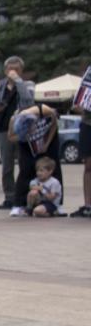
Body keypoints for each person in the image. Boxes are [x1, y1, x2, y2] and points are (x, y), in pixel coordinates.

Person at [0, 56, 35, 210]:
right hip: (4, 129)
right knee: (7, 165)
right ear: (5, 70)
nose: (13, 72)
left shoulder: (28, 84)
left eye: (16, 69)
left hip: (22, 128)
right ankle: (9, 196)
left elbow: (29, 102)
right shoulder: (0, 87)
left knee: (24, 162)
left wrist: (18, 82)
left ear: (21, 70)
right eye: (10, 69)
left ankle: (23, 195)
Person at [10, 103, 62, 217]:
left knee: (51, 165)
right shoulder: (14, 119)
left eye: (31, 127)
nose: (31, 129)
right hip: (26, 143)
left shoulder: (43, 110)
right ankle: (18, 204)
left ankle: (57, 205)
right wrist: (24, 136)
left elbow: (54, 124)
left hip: (48, 136)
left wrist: (47, 143)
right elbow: (10, 137)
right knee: (25, 169)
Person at [70, 64, 91, 219]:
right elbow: (76, 105)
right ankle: (88, 205)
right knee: (89, 166)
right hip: (88, 125)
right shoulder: (88, 79)